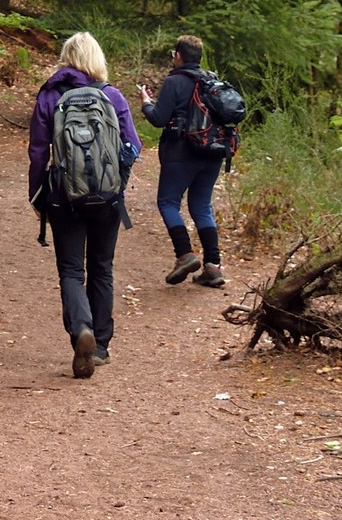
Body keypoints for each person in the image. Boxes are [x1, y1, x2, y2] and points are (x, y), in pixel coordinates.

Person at [29, 31, 141, 380]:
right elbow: (133, 146)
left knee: (71, 270)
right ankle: (102, 345)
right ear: (96, 59)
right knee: (102, 267)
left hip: (64, 196)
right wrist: (115, 182)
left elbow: (37, 151)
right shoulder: (112, 96)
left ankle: (81, 330)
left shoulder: (50, 95)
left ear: (66, 58)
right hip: (107, 198)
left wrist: (38, 196)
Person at [139, 35, 228, 288]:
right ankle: (213, 266)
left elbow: (158, 118)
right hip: (212, 153)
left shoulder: (174, 81)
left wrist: (146, 103)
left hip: (180, 152)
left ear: (178, 56)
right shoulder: (211, 79)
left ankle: (185, 254)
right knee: (201, 206)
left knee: (168, 202)